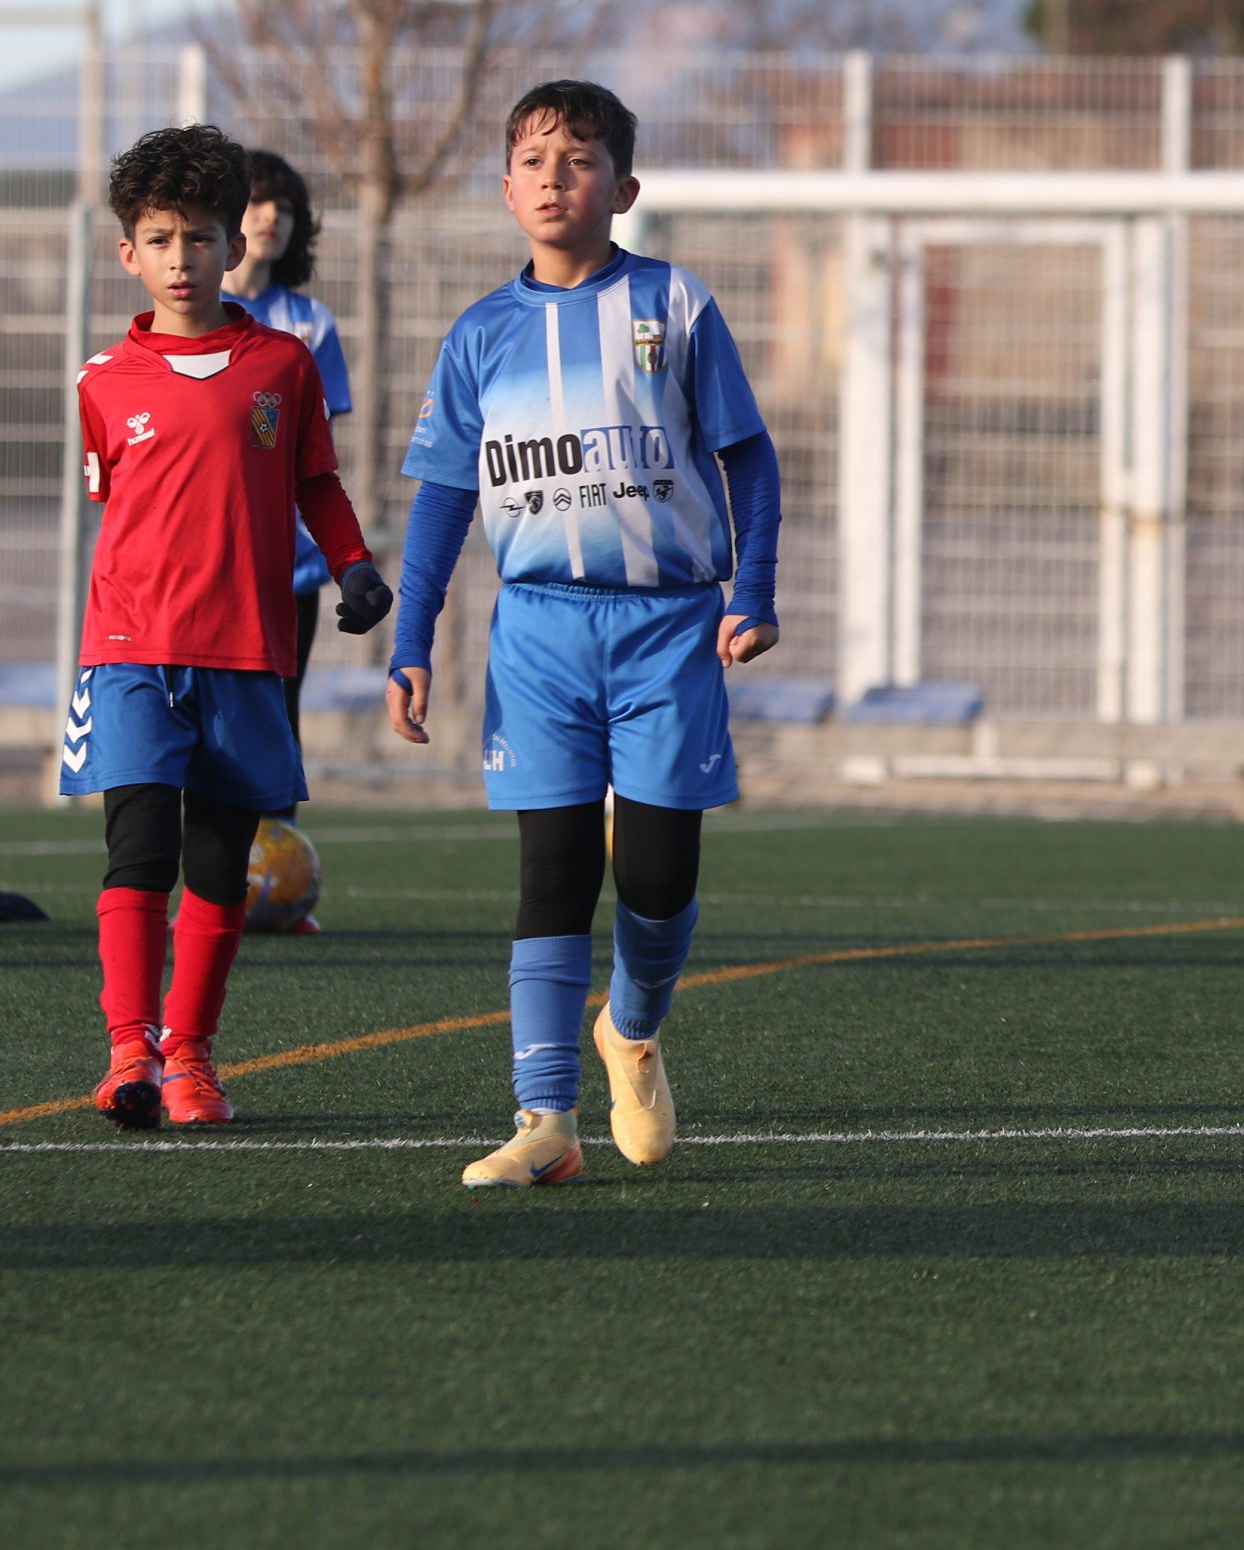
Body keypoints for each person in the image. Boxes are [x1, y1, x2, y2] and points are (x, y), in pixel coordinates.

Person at [387, 78, 781, 1190]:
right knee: (551, 871)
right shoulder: (480, 334)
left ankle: (633, 1030)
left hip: (667, 629)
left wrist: (753, 589)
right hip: (538, 635)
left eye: (580, 159)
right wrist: (412, 638)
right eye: (534, 160)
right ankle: (544, 1119)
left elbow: (747, 456)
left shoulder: (675, 304)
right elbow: (442, 498)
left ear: (624, 187)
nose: (555, 178)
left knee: (655, 875)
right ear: (507, 188)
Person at [65, 123, 391, 1129]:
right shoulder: (100, 381)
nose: (182, 259)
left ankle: (192, 1058)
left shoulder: (282, 365)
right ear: (129, 252)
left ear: (234, 246)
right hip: (131, 648)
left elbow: (315, 481)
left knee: (218, 865)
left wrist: (353, 563)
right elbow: (120, 506)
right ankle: (130, 1053)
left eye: (200, 238)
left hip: (246, 650)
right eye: (161, 240)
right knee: (139, 848)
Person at [223, 148, 355, 931]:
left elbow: (315, 450)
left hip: (288, 568)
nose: (273, 217)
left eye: (286, 207)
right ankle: (203, 883)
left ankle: (278, 883)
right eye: (259, 202)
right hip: (208, 563)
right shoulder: (192, 312)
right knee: (203, 724)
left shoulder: (309, 324)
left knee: (280, 712)